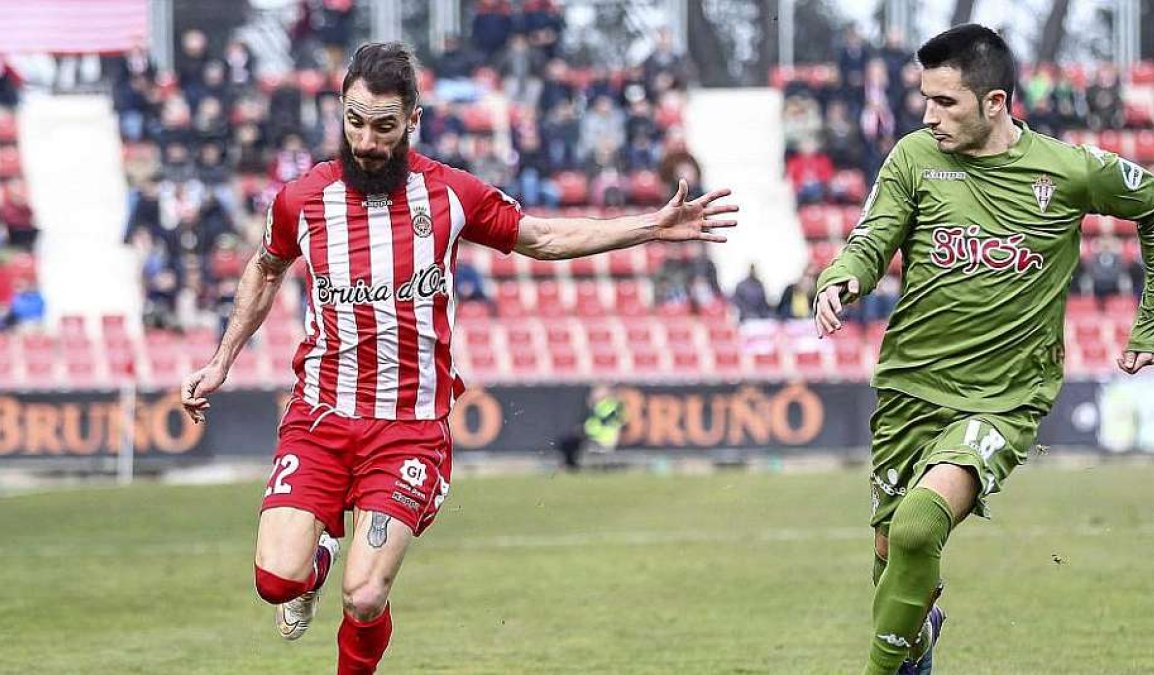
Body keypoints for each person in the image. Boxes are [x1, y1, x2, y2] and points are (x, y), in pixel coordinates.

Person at [178, 42, 737, 675]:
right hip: (320, 419)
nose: (366, 140)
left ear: (412, 121)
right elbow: (266, 267)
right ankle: (318, 557)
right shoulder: (303, 200)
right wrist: (222, 360)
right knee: (276, 582)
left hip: (408, 431)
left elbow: (543, 238)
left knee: (364, 598)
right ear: (340, 112)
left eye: (384, 126)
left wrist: (648, 227)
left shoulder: (447, 196)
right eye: (355, 121)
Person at [812, 25, 1154, 675]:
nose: (929, 115)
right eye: (926, 98)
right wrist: (842, 276)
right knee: (891, 556)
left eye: (945, 102)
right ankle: (916, 642)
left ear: (995, 102)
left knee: (919, 526)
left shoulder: (1067, 171)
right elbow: (872, 237)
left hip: (1003, 396)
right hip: (908, 389)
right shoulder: (913, 158)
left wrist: (1150, 325)